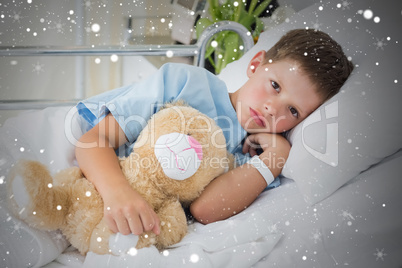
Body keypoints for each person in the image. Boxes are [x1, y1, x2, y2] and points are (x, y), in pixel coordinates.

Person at [75, 29, 353, 236]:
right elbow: (93, 141)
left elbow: (204, 210)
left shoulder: (254, 155)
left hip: (140, 221)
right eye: (275, 86)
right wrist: (118, 193)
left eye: (293, 111)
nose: (272, 109)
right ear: (255, 64)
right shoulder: (186, 82)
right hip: (100, 179)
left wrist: (275, 156)